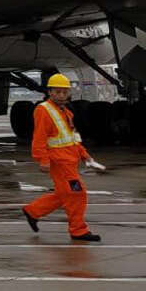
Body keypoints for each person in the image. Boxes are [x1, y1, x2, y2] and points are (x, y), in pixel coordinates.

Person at [23, 74, 100, 241]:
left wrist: (84, 155)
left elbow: (73, 138)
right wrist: (42, 159)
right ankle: (78, 230)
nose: (61, 95)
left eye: (64, 92)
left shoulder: (66, 112)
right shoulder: (43, 110)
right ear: (50, 92)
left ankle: (32, 211)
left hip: (70, 161)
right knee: (77, 194)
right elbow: (39, 137)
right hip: (59, 162)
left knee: (64, 194)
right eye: (57, 92)